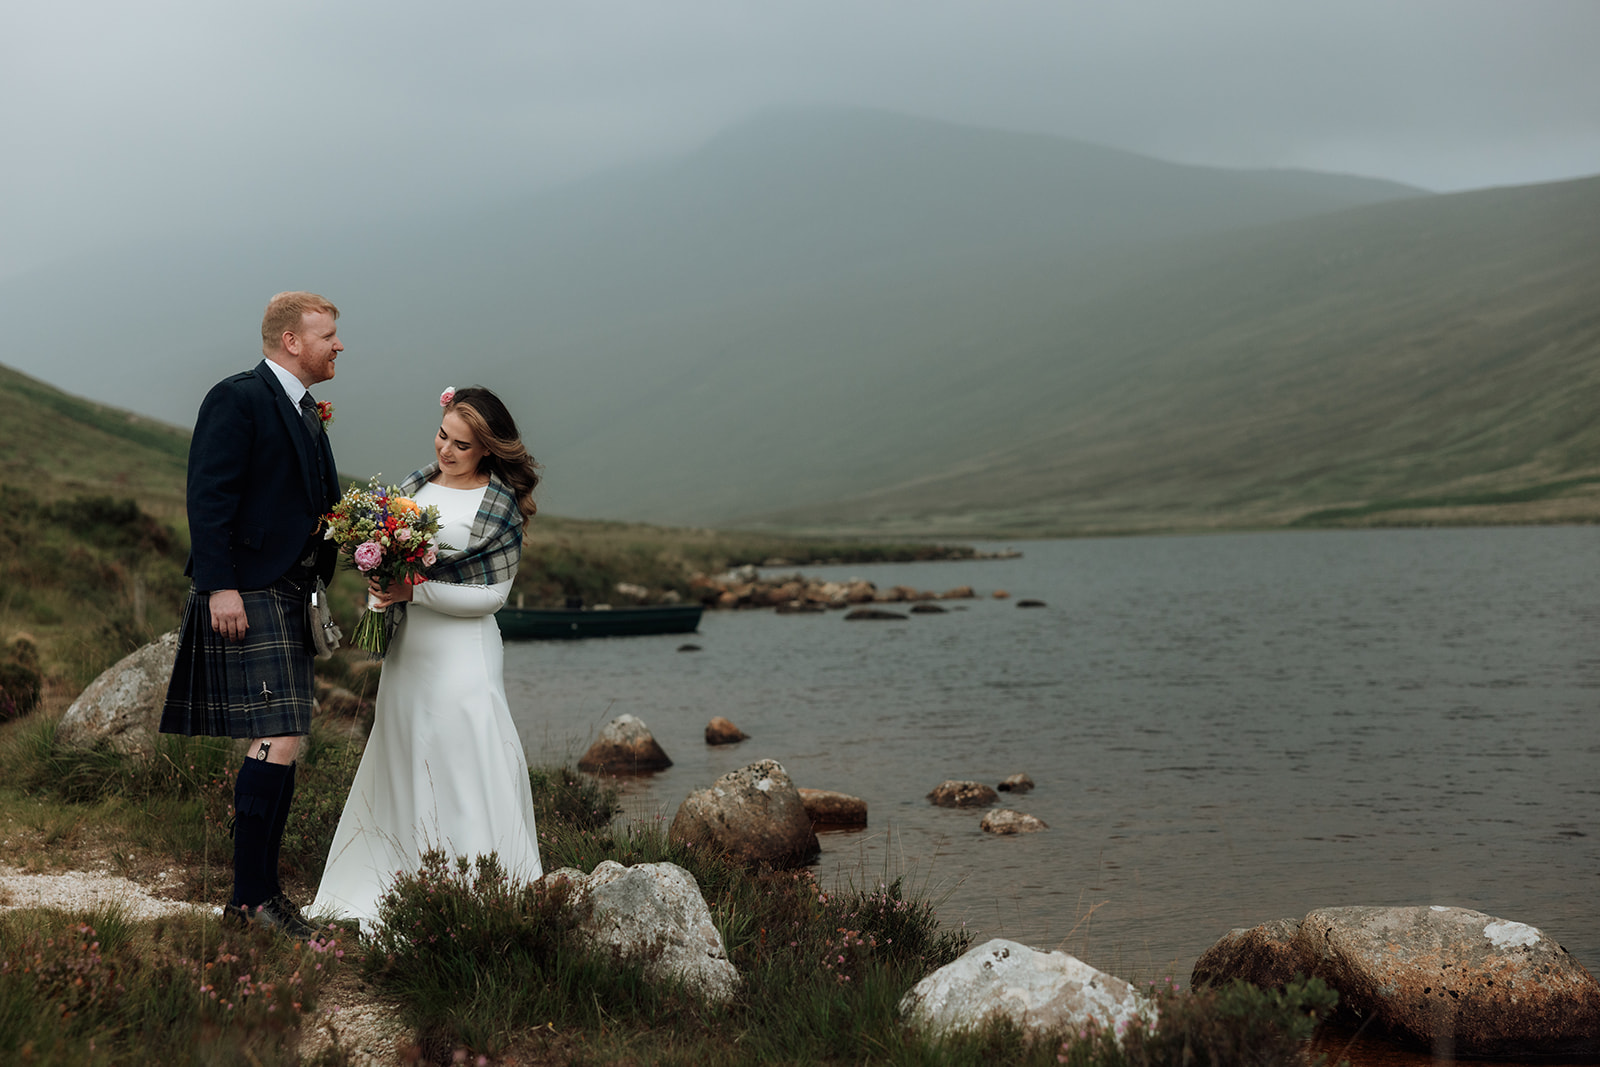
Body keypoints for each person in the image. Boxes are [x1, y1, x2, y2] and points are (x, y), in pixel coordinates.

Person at [312, 386, 544, 928]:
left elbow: (492, 599)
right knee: (405, 753)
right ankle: (403, 878)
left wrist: (413, 591)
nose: (446, 449)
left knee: (464, 757)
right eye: (443, 435)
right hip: (411, 650)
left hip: (464, 654)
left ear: (485, 449)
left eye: (461, 444)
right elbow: (389, 570)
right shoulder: (413, 489)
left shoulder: (499, 506)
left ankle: (483, 885)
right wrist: (380, 583)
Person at [161, 291, 344, 939]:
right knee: (281, 734)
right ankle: (250, 899)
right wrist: (220, 587)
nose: (338, 345)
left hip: (289, 591)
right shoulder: (237, 397)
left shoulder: (302, 407)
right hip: (250, 589)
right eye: (328, 334)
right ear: (291, 340)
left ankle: (262, 893)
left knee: (282, 737)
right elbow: (208, 494)